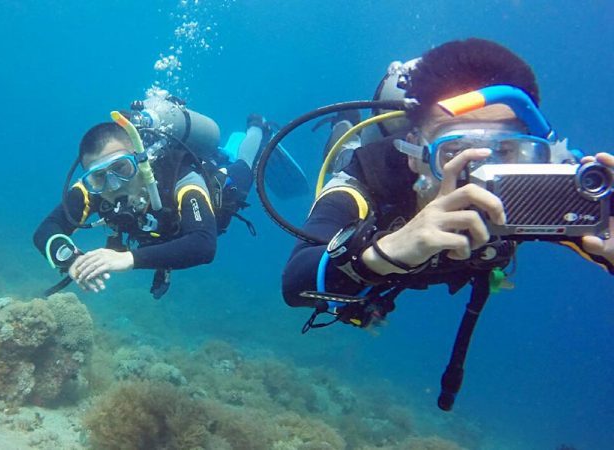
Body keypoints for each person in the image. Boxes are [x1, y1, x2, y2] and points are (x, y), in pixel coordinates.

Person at [280, 38, 613, 409]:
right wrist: (383, 252)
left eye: (507, 152)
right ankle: (344, 128)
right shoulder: (370, 178)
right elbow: (296, 283)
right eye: (455, 152)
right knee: (343, 152)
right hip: (372, 184)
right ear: (415, 153)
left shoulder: (537, 191)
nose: (482, 175)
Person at [33, 93, 294, 298]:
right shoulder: (95, 187)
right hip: (164, 231)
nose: (113, 184)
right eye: (99, 176)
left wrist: (127, 259)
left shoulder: (180, 177)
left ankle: (257, 128)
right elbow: (46, 230)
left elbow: (203, 244)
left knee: (243, 166)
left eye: (122, 168)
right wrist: (70, 260)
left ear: (141, 159)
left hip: (218, 191)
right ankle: (230, 147)